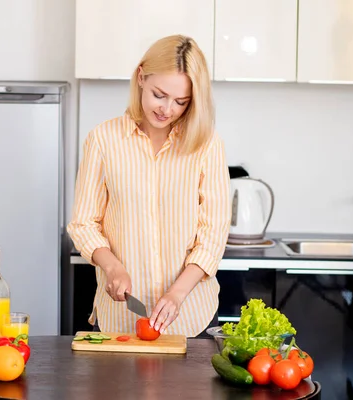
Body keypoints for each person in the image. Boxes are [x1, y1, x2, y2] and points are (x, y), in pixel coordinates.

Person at [67, 34, 231, 338]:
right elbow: (83, 224)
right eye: (160, 94)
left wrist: (177, 294)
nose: (167, 109)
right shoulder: (103, 140)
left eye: (181, 102)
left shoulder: (207, 145)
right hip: (120, 319)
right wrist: (113, 267)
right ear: (141, 77)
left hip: (192, 318)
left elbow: (213, 234)